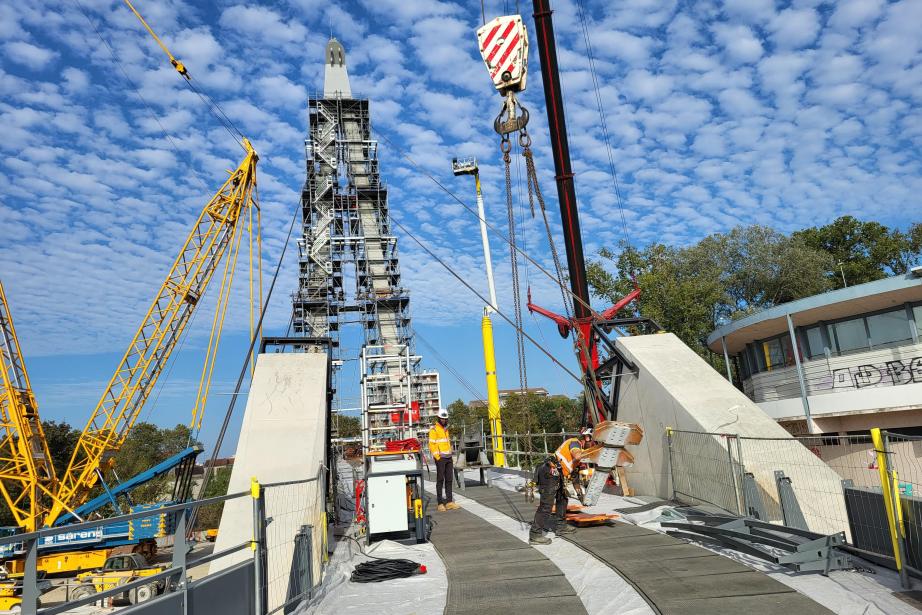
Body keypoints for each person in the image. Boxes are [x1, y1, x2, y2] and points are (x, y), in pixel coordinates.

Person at [530, 432, 587, 544]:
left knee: (563, 498)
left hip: (557, 474)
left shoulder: (580, 455)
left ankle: (561, 526)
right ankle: (535, 535)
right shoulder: (575, 442)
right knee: (546, 505)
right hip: (549, 472)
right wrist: (590, 455)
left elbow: (575, 477)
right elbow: (577, 455)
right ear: (585, 439)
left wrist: (581, 496)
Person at [428, 408, 459, 512]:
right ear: (439, 418)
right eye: (442, 418)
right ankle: (440, 503)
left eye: (445, 419)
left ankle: (449, 502)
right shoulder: (434, 430)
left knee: (449, 479)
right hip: (440, 458)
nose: (444, 420)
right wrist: (438, 457)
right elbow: (432, 444)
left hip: (448, 457)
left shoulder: (446, 429)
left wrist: (450, 454)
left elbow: (446, 442)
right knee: (440, 479)